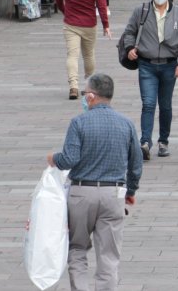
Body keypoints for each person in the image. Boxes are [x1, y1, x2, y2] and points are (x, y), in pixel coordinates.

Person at [48, 73, 143, 291]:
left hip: (82, 193)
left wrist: (54, 158)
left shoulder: (79, 123)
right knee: (109, 255)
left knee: (77, 248)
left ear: (91, 96)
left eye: (84, 93)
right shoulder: (126, 124)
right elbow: (136, 163)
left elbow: (69, 159)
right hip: (114, 193)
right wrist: (132, 189)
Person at [121, 0, 178, 160]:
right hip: (147, 64)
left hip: (170, 65)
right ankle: (145, 142)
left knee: (166, 105)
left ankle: (163, 141)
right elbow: (129, 32)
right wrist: (130, 49)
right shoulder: (142, 11)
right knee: (149, 103)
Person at [56, 0, 111, 100]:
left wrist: (65, 11)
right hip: (89, 23)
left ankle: (73, 86)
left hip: (71, 23)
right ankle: (89, 85)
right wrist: (106, 24)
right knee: (88, 55)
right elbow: (101, 4)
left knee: (72, 55)